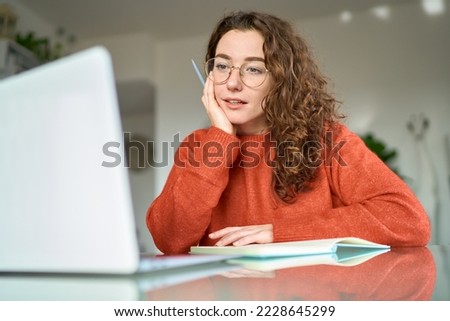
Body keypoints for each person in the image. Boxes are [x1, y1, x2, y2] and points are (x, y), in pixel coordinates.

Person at [146, 11, 430, 254]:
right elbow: (169, 239)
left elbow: (407, 219)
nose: (232, 82)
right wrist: (221, 137)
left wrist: (279, 233)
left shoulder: (328, 141)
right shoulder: (199, 145)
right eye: (222, 66)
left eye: (253, 69)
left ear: (281, 80)